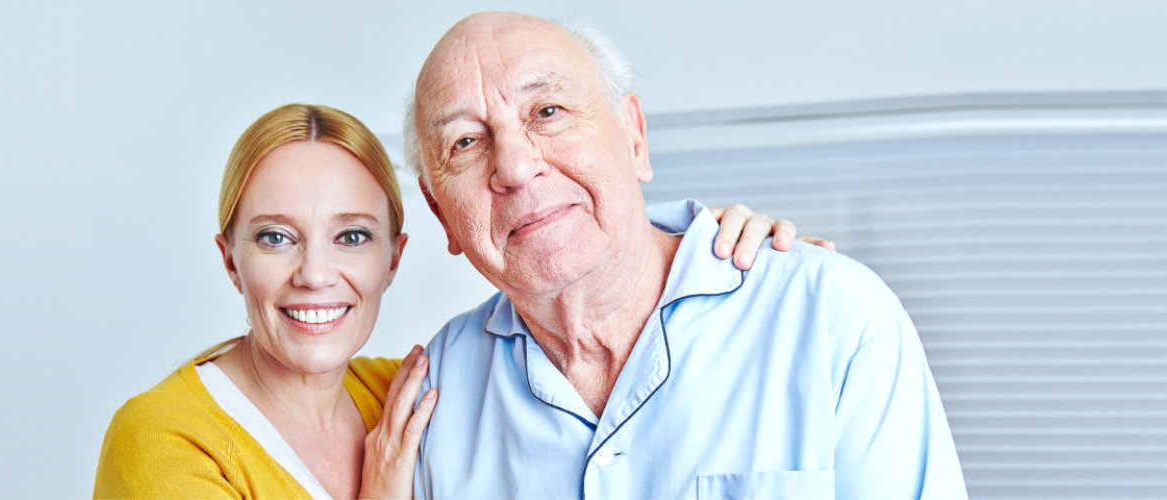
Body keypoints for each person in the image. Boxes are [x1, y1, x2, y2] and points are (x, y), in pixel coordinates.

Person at [93, 103, 820, 499]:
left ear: (394, 258)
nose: (316, 274)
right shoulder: (163, 439)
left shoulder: (416, 389)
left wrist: (734, 259)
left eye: (351, 237)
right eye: (276, 238)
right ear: (230, 259)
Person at [405, 12, 968, 499]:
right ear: (439, 213)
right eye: (466, 143)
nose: (516, 166)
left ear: (634, 139)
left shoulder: (834, 318)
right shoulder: (435, 391)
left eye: (547, 111)